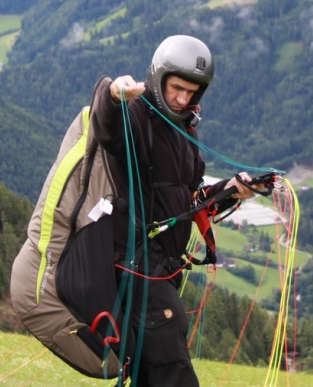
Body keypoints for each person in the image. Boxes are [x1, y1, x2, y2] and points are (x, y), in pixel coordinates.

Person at [93, 34, 253, 387]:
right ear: (157, 77)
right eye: (176, 88)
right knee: (174, 372)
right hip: (135, 264)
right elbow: (107, 130)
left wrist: (232, 189)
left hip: (164, 269)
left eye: (191, 92)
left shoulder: (184, 130)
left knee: (151, 374)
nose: (182, 99)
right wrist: (112, 96)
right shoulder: (135, 115)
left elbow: (192, 199)